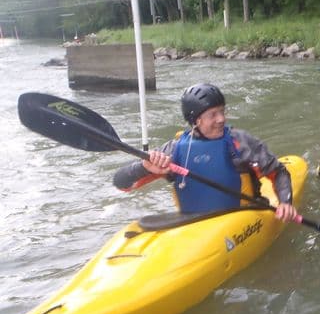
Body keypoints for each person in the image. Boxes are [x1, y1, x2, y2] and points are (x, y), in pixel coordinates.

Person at [113, 83, 298, 221]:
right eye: (213, 114)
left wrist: (285, 202)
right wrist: (144, 167)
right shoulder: (174, 150)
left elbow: (278, 172)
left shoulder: (240, 142)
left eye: (222, 111)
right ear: (196, 120)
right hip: (194, 225)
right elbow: (122, 184)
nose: (221, 119)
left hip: (243, 220)